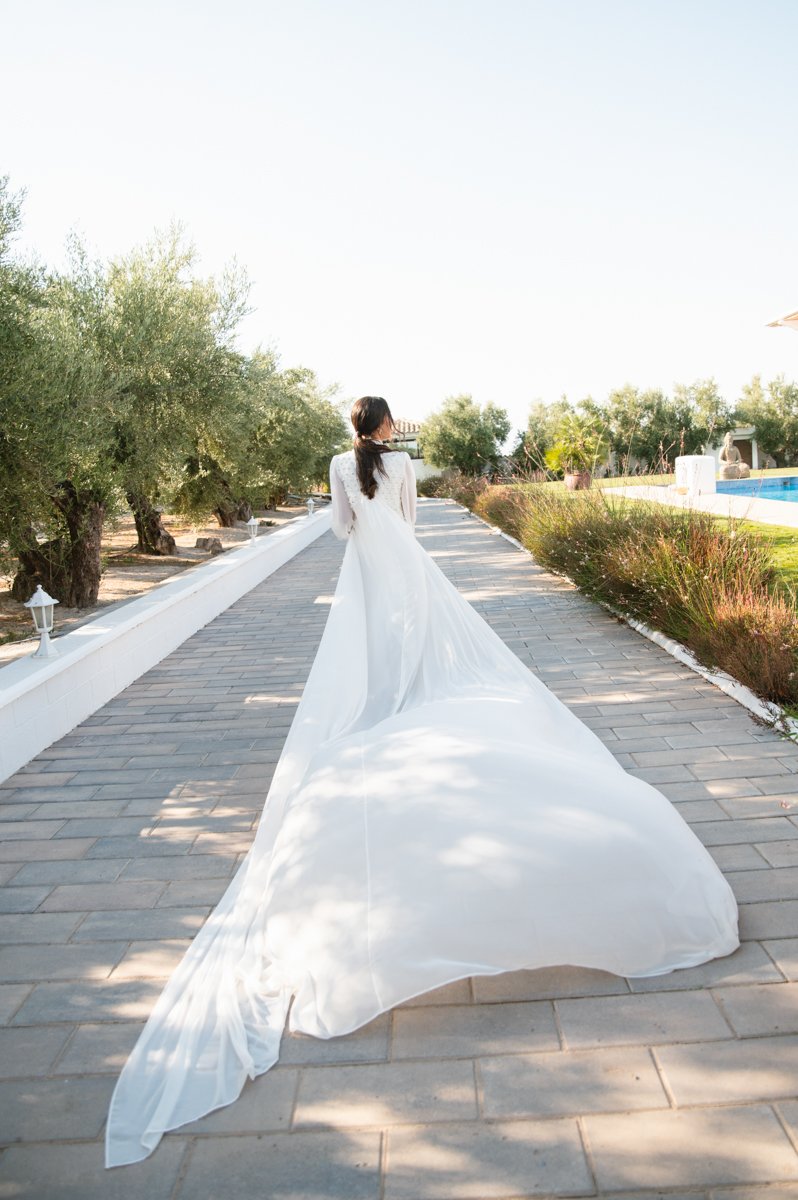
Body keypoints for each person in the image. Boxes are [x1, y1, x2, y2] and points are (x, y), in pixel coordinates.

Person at [105, 395, 739, 1168]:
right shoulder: (402, 466)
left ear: (352, 432)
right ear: (386, 428)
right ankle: (413, 706)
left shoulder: (341, 466)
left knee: (372, 652)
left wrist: (360, 526)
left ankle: (387, 715)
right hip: (406, 568)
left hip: (367, 573)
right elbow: (408, 521)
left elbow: (341, 529)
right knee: (417, 644)